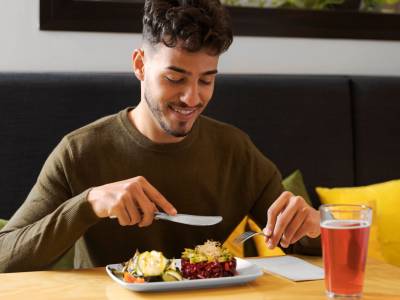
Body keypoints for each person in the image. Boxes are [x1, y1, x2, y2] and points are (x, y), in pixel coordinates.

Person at [0, 0, 320, 273]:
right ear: (140, 65)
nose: (191, 98)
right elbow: (4, 255)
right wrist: (89, 204)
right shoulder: (79, 152)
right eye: (174, 78)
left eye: (206, 81)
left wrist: (314, 226)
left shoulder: (236, 151)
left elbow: (307, 245)